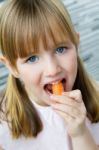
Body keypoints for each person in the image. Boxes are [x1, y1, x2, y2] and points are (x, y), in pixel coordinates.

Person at [0, 0, 99, 149]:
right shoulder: (3, 119)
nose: (52, 70)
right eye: (32, 58)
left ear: (76, 45)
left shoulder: (97, 99)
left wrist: (80, 133)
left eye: (60, 49)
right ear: (12, 67)